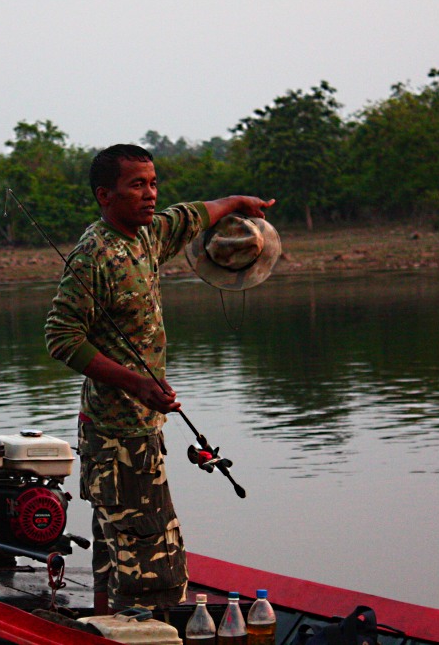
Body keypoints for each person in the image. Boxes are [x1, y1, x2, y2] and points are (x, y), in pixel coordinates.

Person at [44, 143, 275, 614]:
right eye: (137, 185)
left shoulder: (148, 234)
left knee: (115, 553)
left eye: (153, 183)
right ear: (105, 195)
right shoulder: (94, 255)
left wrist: (237, 204)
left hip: (142, 432)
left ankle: (106, 623)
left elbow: (193, 215)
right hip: (114, 439)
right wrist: (136, 383)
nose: (150, 194)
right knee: (155, 569)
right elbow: (62, 337)